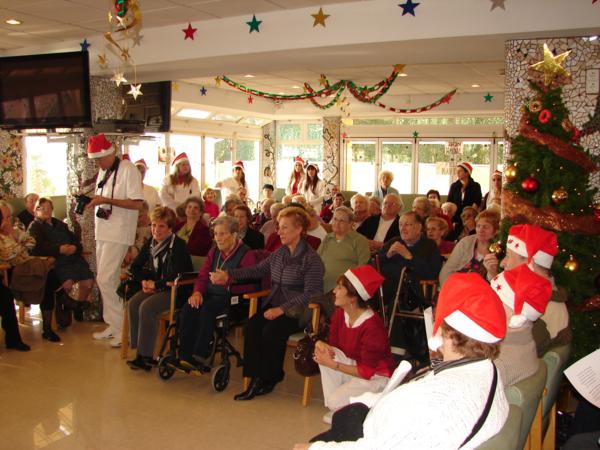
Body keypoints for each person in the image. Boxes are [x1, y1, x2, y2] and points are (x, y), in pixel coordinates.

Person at [296, 273, 508, 450]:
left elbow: (376, 447)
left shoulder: (437, 404)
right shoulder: (488, 371)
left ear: (450, 334)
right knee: (347, 415)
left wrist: (315, 449)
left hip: (373, 432)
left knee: (318, 438)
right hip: (379, 418)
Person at [210, 206, 325, 401]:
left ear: (299, 229)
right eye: (279, 227)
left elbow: (312, 293)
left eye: (284, 228)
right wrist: (228, 275)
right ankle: (255, 377)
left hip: (299, 311)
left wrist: (281, 309)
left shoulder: (311, 259)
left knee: (272, 331)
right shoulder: (280, 253)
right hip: (275, 305)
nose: (279, 232)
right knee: (253, 326)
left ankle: (270, 378)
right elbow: (256, 271)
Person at [315, 265, 395, 422]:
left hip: (376, 376)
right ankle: (340, 405)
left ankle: (367, 399)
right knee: (324, 352)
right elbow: (334, 345)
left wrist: (333, 365)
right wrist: (321, 344)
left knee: (334, 400)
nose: (334, 291)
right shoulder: (340, 314)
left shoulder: (372, 326)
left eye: (339, 288)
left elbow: (367, 372)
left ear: (353, 298)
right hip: (355, 366)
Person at [85, 133, 144, 347]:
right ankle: (115, 325)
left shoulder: (128, 169)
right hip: (104, 232)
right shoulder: (104, 170)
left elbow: (137, 203)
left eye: (99, 159)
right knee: (105, 279)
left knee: (105, 279)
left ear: (109, 153)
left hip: (118, 233)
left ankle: (123, 329)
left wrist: (107, 200)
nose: (97, 163)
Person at [178, 216, 258, 370]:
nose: (218, 238)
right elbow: (202, 276)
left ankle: (200, 355)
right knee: (189, 307)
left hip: (233, 298)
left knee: (207, 308)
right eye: (215, 234)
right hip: (210, 293)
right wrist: (197, 293)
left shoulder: (246, 254)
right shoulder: (214, 251)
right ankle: (185, 355)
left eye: (222, 234)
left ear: (234, 235)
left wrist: (227, 281)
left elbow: (251, 284)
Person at [489, 224, 558, 386]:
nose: (502, 263)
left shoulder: (545, 306)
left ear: (529, 263)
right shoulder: (536, 299)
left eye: (508, 255)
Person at [126, 207, 193, 371]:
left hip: (175, 290)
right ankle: (139, 348)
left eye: (161, 226)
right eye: (154, 225)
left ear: (170, 228)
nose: (156, 230)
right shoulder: (151, 243)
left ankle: (146, 356)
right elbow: (135, 267)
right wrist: (145, 281)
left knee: (146, 307)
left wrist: (156, 285)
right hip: (156, 287)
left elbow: (178, 274)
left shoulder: (178, 245)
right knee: (133, 303)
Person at [378, 211, 443, 362]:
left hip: (414, 292)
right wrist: (387, 256)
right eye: (401, 224)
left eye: (408, 224)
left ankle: (395, 355)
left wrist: (409, 257)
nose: (403, 228)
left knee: (398, 301)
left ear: (419, 227)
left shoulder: (429, 246)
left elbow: (432, 272)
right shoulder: (393, 241)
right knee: (363, 298)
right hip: (386, 287)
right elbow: (374, 264)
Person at [0, 200, 60, 342]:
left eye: (9, 217)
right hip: (11, 271)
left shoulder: (13, 230)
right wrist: (19, 242)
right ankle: (48, 325)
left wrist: (16, 237)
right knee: (48, 276)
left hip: (26, 265)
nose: (8, 221)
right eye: (4, 217)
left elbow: (31, 242)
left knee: (48, 277)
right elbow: (8, 255)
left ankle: (47, 327)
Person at [28, 197, 94, 319]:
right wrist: (59, 249)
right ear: (35, 211)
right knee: (67, 284)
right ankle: (63, 309)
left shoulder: (60, 224)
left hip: (73, 258)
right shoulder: (35, 227)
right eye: (41, 208)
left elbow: (76, 242)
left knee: (88, 282)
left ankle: (77, 306)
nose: (46, 211)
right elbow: (37, 248)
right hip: (56, 261)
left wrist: (74, 248)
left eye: (48, 208)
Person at [317, 206, 370, 302]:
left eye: (341, 221)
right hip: (320, 286)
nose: (336, 223)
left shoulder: (359, 240)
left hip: (345, 290)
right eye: (335, 219)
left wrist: (345, 285)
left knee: (315, 305)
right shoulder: (328, 238)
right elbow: (316, 261)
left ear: (350, 224)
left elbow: (363, 267)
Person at [439, 209, 500, 285]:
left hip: (481, 292)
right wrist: (447, 289)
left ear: (496, 230)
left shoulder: (499, 249)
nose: (481, 230)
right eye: (478, 226)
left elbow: (498, 281)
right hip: (457, 288)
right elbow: (447, 269)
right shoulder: (466, 242)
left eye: (486, 227)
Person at [174, 197, 212, 270]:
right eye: (189, 207)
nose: (192, 210)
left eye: (196, 208)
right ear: (185, 210)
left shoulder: (204, 229)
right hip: (176, 261)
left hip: (193, 264)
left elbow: (199, 250)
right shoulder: (178, 226)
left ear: (200, 212)